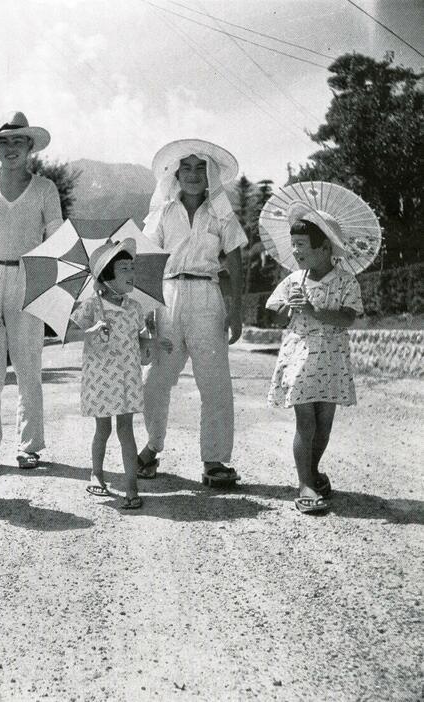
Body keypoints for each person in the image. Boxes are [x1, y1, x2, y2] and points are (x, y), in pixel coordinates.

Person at [137, 139, 247, 487]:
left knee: (214, 381)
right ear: (176, 173)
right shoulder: (163, 212)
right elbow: (146, 258)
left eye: (201, 168)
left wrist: (237, 308)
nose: (194, 175)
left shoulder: (220, 213)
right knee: (156, 379)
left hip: (207, 295)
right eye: (187, 168)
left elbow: (236, 261)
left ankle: (213, 460)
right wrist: (147, 308)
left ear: (210, 174)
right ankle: (152, 447)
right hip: (167, 294)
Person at [0, 111, 63, 471]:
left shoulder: (45, 189)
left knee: (27, 366)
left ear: (30, 147)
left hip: (28, 277)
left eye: (18, 141)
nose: (10, 148)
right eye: (3, 141)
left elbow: (56, 241)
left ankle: (29, 446)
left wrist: (49, 289)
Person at [266, 201, 364, 514]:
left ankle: (313, 472)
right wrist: (287, 309)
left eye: (302, 245)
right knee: (305, 423)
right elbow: (272, 315)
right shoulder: (293, 281)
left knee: (324, 425)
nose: (295, 251)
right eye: (293, 245)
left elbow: (348, 318)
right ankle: (305, 483)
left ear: (324, 248)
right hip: (300, 355)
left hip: (332, 358)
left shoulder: (346, 282)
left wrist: (315, 311)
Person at [69, 239, 172, 510]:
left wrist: (153, 342)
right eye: (124, 268)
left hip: (126, 378)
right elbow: (70, 332)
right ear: (106, 277)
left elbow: (138, 341)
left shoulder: (134, 308)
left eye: (131, 267)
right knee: (102, 429)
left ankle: (131, 487)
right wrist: (90, 331)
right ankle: (97, 474)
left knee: (126, 430)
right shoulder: (92, 306)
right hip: (100, 378)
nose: (131, 273)